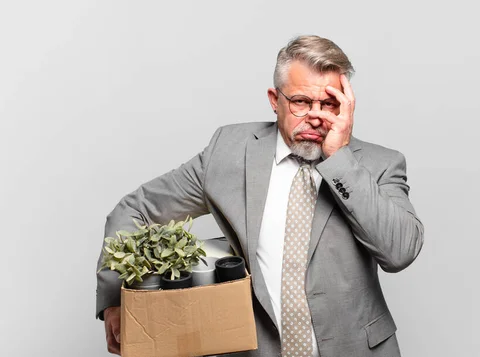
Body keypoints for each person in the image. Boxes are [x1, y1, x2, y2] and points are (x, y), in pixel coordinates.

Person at [96, 35, 424, 357]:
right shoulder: (229, 152)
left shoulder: (379, 165)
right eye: (301, 102)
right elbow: (136, 209)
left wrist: (339, 158)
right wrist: (115, 300)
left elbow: (398, 252)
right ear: (274, 99)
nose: (316, 116)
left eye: (329, 104)